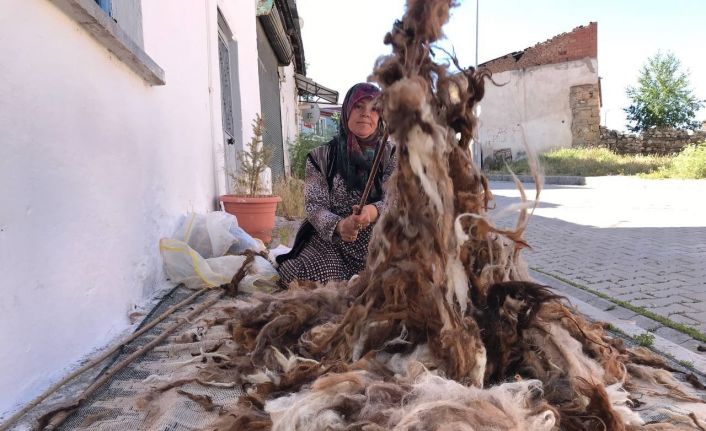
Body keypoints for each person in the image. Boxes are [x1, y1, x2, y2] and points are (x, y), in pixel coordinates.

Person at [276, 83, 396, 286]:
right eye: (359, 106)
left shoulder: (392, 154)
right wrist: (341, 226)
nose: (366, 114)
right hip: (333, 243)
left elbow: (398, 200)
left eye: (374, 108)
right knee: (303, 277)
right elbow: (315, 206)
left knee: (406, 278)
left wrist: (372, 211)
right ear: (347, 110)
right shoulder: (320, 156)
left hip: (381, 243)